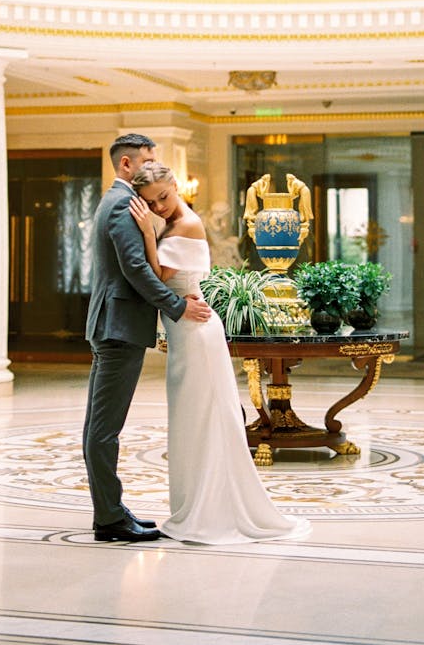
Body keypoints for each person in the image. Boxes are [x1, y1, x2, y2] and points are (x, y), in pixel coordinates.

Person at [130, 161, 311, 545]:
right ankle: (193, 504)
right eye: (151, 203)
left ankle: (212, 511)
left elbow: (154, 278)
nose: (160, 206)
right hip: (185, 333)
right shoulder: (173, 224)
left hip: (197, 335)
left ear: (175, 186)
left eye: (163, 197)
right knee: (191, 421)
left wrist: (148, 232)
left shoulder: (188, 225)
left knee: (206, 419)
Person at [83, 133, 212, 543]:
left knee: (99, 426)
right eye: (146, 159)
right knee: (104, 429)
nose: (152, 166)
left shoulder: (121, 200)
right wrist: (177, 308)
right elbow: (137, 270)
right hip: (118, 328)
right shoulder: (123, 203)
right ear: (126, 165)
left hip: (112, 325)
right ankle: (109, 518)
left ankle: (112, 510)